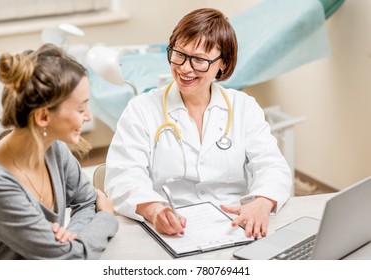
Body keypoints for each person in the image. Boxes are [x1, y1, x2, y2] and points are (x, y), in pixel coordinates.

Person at [105, 8, 292, 239]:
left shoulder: (244, 107)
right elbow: (122, 176)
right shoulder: (141, 109)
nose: (185, 68)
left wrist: (261, 203)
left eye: (199, 60)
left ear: (222, 64)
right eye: (179, 54)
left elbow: (273, 166)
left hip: (235, 224)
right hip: (171, 228)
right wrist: (155, 210)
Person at [0, 44, 118, 259]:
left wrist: (71, 237)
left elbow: (87, 201)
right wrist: (107, 217)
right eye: (81, 109)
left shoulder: (53, 147)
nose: (89, 116)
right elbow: (70, 261)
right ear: (43, 117)